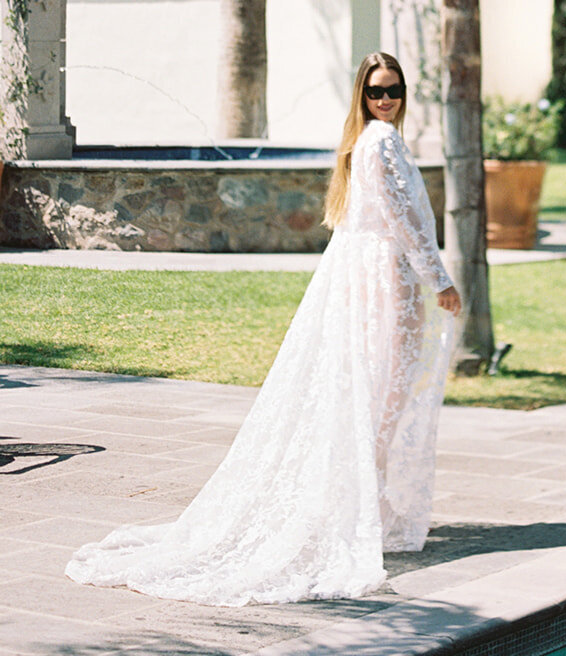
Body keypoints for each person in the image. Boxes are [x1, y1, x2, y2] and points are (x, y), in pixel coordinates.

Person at [66, 52, 462, 606]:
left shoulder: (366, 142)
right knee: (382, 397)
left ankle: (361, 508)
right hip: (385, 280)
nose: (386, 100)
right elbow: (405, 219)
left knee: (374, 396)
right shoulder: (379, 142)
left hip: (373, 277)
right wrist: (439, 278)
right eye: (375, 92)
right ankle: (356, 511)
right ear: (361, 96)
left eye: (393, 89)